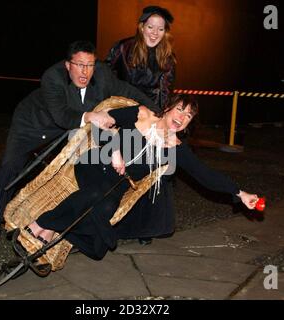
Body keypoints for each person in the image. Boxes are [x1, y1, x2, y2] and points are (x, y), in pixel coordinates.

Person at [24, 94, 259, 260]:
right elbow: (102, 122)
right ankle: (41, 223)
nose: (182, 116)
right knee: (96, 196)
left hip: (117, 185)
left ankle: (57, 227)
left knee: (99, 246)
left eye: (188, 115)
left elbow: (206, 175)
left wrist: (240, 193)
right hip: (97, 163)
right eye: (180, 109)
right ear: (167, 108)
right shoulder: (142, 115)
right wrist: (115, 150)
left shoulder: (176, 148)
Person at [0, 40, 160, 248]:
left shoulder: (102, 74)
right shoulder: (52, 77)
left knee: (87, 164)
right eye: (79, 65)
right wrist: (91, 116)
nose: (85, 72)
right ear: (67, 65)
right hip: (35, 124)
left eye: (90, 65)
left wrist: (156, 112)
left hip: (77, 126)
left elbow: (127, 90)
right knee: (11, 164)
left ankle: (70, 223)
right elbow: (62, 115)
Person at [105, 5, 177, 244]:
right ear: (141, 26)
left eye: (160, 28)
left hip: (150, 117)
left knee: (154, 171)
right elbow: (105, 76)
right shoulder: (123, 48)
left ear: (165, 31)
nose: (154, 33)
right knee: (119, 170)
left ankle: (144, 228)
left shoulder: (168, 58)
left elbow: (165, 93)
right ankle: (111, 222)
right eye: (150, 27)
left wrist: (162, 125)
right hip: (123, 112)